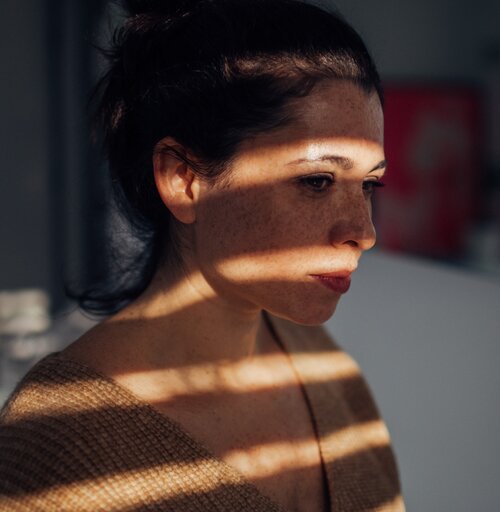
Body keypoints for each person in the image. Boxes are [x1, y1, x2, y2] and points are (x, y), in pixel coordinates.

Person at [0, 0, 404, 510]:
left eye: (369, 184)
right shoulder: (61, 441)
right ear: (184, 180)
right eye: (317, 180)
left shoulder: (320, 363)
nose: (363, 232)